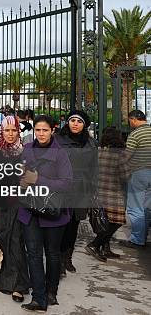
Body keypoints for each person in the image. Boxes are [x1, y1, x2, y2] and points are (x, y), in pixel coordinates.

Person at [19, 115, 73, 311]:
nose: (41, 134)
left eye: (45, 130)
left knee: (52, 254)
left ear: (53, 130)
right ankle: (38, 297)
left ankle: (52, 291)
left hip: (52, 210)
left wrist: (38, 179)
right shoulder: (26, 149)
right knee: (33, 253)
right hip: (29, 208)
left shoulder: (60, 154)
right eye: (38, 130)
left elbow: (67, 183)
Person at [0, 116, 30, 303]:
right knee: (0, 239)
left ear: (19, 131)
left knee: (16, 241)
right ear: (2, 131)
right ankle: (1, 277)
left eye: (14, 130)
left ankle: (18, 285)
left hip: (18, 203)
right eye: (7, 130)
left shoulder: (25, 151)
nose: (10, 134)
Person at [56, 110, 98, 276]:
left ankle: (67, 257)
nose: (75, 123)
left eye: (79, 121)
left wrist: (93, 189)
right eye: (72, 120)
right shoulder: (58, 140)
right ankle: (57, 259)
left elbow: (94, 168)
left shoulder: (90, 143)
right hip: (62, 188)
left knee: (73, 225)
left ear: (84, 125)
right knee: (60, 224)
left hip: (81, 189)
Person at [86, 127, 129, 261]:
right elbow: (126, 175)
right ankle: (95, 244)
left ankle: (105, 249)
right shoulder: (120, 154)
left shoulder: (98, 152)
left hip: (99, 192)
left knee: (105, 222)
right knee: (116, 222)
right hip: (114, 194)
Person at [124, 109, 151, 248]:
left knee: (135, 208)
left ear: (133, 119)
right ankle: (144, 237)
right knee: (147, 208)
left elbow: (127, 155)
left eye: (130, 121)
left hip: (139, 173)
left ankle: (137, 240)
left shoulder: (135, 134)